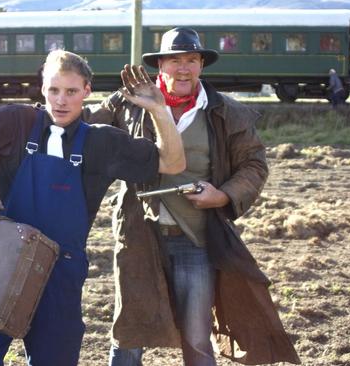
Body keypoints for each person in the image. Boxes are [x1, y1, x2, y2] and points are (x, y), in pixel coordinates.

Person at [0, 49, 186, 366]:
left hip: (59, 275)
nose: (61, 100)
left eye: (71, 91)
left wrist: (159, 109)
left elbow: (173, 163)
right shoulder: (16, 120)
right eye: (54, 90)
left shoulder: (102, 142)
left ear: (86, 91)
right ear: (43, 88)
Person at [87, 27, 300, 366]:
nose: (183, 68)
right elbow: (83, 127)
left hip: (195, 238)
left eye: (191, 60)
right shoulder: (127, 102)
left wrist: (223, 195)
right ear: (161, 66)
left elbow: (254, 165)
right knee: (128, 334)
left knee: (198, 338)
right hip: (138, 235)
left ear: (201, 65)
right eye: (175, 60)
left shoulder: (226, 112)